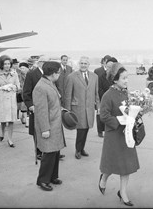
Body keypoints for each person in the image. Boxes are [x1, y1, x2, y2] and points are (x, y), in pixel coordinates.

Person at [98, 63, 139, 206]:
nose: (127, 81)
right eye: (124, 78)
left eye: (127, 78)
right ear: (115, 80)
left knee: (126, 165)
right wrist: (119, 120)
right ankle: (103, 178)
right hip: (114, 135)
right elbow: (103, 116)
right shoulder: (107, 95)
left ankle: (123, 193)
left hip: (126, 135)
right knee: (111, 164)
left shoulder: (126, 92)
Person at [33, 61, 66, 191]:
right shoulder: (41, 87)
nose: (59, 75)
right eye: (59, 72)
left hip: (55, 125)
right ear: (53, 73)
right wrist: (45, 129)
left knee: (55, 153)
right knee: (48, 155)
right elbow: (41, 111)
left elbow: (53, 103)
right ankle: (42, 180)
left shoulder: (49, 83)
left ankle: (52, 177)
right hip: (48, 126)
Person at [64, 56, 100, 160]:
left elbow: (96, 93)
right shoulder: (72, 76)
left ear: (89, 65)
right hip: (77, 109)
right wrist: (67, 110)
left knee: (86, 129)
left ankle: (81, 148)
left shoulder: (94, 76)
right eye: (82, 63)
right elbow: (68, 94)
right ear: (79, 64)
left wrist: (98, 107)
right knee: (80, 130)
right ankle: (78, 150)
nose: (83, 65)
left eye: (85, 63)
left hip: (89, 109)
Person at [0, 55, 20, 148]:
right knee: (3, 119)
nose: (7, 66)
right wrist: (1, 88)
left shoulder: (14, 73)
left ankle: (10, 139)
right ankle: (2, 133)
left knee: (11, 120)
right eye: (5, 64)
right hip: (2, 99)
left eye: (8, 64)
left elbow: (18, 86)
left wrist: (14, 87)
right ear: (1, 64)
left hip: (11, 99)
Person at [23, 57, 46, 161]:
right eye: (44, 62)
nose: (45, 64)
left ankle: (49, 150)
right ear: (39, 63)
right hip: (35, 107)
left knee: (47, 129)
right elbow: (26, 92)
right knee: (36, 130)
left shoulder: (49, 74)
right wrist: (30, 105)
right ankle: (38, 152)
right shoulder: (31, 74)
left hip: (47, 107)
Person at [93, 55, 112, 138]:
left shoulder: (113, 72)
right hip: (100, 95)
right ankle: (100, 130)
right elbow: (96, 84)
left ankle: (107, 129)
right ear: (103, 62)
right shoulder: (97, 71)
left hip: (110, 96)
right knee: (99, 113)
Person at [17, 62, 30, 127]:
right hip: (21, 93)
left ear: (27, 68)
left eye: (24, 68)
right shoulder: (18, 75)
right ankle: (27, 121)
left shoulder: (30, 75)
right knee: (23, 106)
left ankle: (23, 117)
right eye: (21, 68)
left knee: (27, 107)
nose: (22, 69)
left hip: (28, 93)